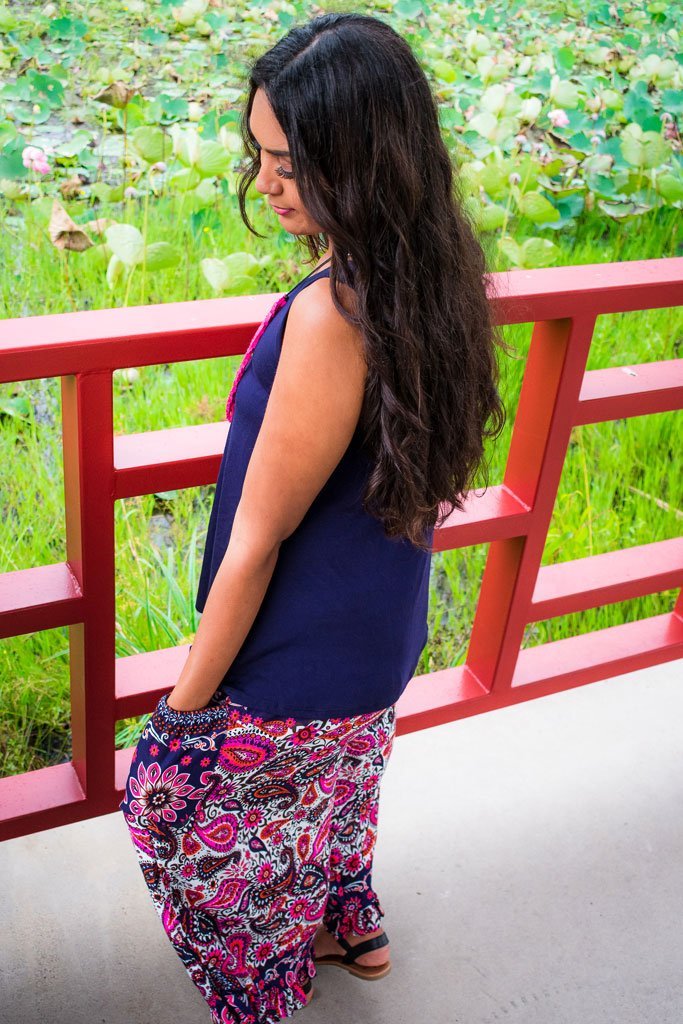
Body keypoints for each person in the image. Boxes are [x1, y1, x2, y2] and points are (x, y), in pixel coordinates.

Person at [119, 11, 507, 1023]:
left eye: (291, 163)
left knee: (175, 821)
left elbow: (256, 540)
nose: (267, 183)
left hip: (294, 653)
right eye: (258, 155)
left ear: (365, 160)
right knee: (334, 790)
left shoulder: (333, 316)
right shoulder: (436, 273)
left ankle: (263, 984)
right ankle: (348, 925)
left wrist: (181, 717)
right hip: (377, 634)